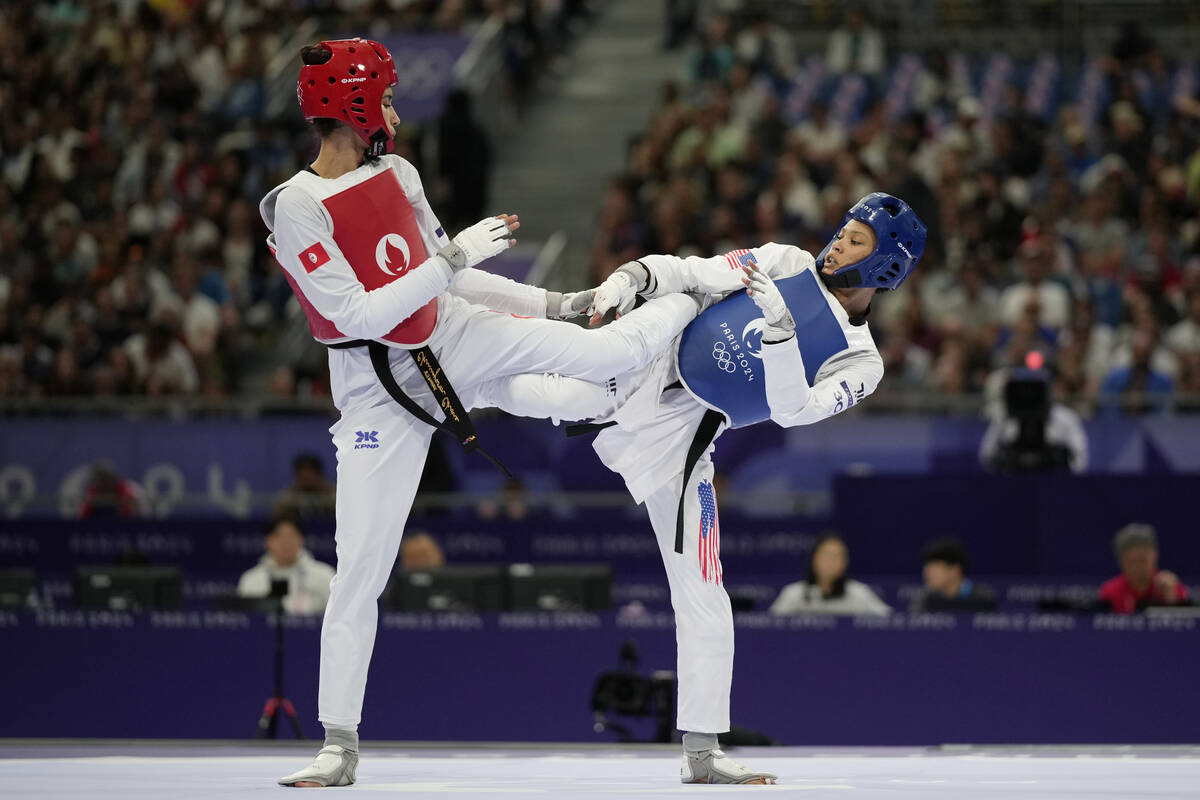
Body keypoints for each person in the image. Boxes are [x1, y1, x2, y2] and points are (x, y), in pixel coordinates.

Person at [264, 39, 700, 788]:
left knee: (595, 359)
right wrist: (452, 259)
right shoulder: (295, 206)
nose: (397, 114)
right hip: (379, 395)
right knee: (360, 571)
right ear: (353, 108)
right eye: (387, 100)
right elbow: (355, 315)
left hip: (456, 338)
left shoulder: (398, 172)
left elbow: (452, 286)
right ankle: (339, 743)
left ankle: (689, 300)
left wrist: (552, 304)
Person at [491, 192, 926, 784]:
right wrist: (634, 274)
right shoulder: (787, 261)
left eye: (856, 241)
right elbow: (693, 273)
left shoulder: (861, 362)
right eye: (842, 231)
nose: (836, 244)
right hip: (657, 342)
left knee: (705, 590)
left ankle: (702, 752)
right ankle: (449, 359)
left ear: (887, 266)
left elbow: (792, 412)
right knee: (565, 393)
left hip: (688, 433)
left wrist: (780, 333)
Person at [769, 533, 890, 616]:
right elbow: (771, 625)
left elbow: (889, 621)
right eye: (828, 555)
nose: (833, 561)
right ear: (814, 558)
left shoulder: (859, 594)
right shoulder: (794, 594)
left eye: (839, 556)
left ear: (845, 562)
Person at [237, 515, 335, 616]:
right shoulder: (251, 580)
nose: (286, 542)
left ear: (301, 540)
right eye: (279, 536)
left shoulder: (326, 576)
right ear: (267, 541)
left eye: (291, 536)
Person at [1098, 523, 1191, 614]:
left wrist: (1171, 599)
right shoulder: (1110, 592)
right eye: (1132, 561)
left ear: (1154, 556)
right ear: (1121, 561)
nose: (1138, 567)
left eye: (1143, 560)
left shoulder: (1171, 587)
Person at [909, 538, 997, 613]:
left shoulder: (984, 599)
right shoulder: (922, 602)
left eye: (934, 569)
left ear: (955, 570)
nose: (926, 574)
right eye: (926, 569)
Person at [274, 453, 336, 518]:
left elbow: (342, 510)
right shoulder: (291, 494)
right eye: (303, 476)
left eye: (310, 474)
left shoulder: (330, 493)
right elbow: (278, 513)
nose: (307, 477)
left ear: (318, 475)